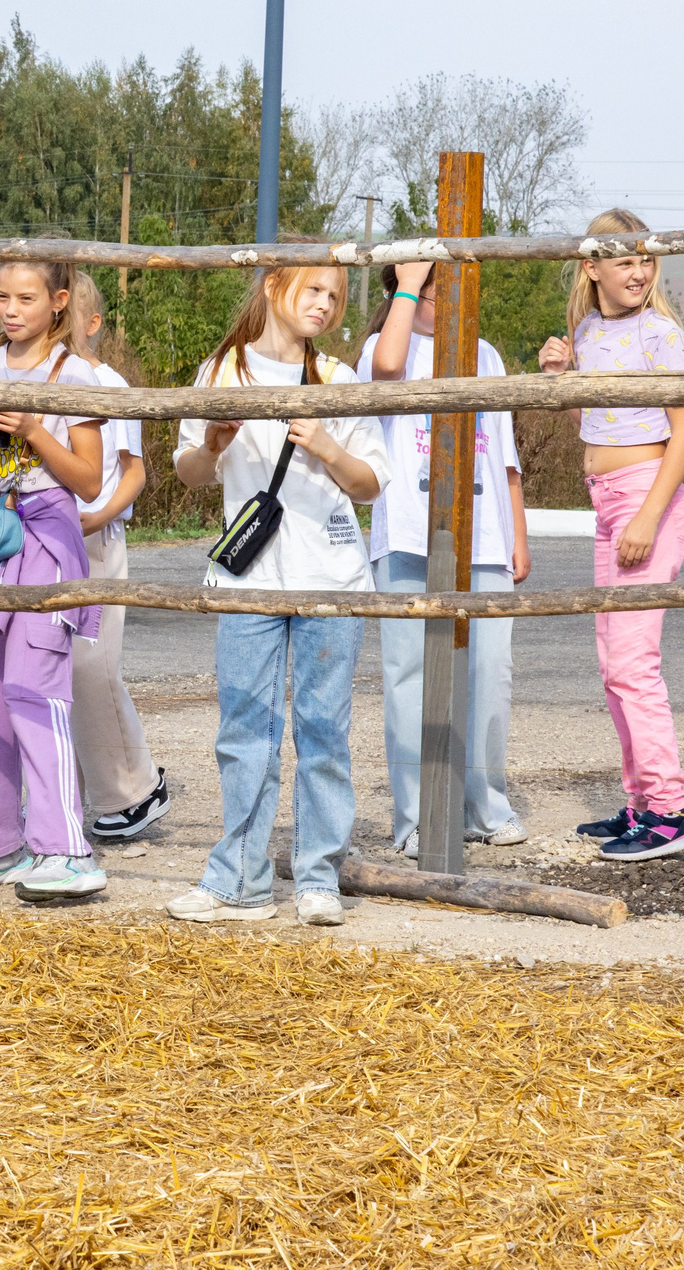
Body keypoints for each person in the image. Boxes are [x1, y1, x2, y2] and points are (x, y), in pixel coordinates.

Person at [168, 263, 390, 927]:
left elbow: (370, 483)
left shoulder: (339, 380)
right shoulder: (221, 372)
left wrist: (327, 446)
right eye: (312, 289)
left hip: (332, 577)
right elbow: (189, 472)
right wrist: (213, 445)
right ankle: (239, 879)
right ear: (272, 287)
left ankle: (319, 877)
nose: (323, 304)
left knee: (324, 731)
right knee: (244, 730)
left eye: (334, 295)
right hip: (251, 579)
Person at [538, 208, 684, 861]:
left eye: (646, 259)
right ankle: (640, 804)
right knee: (613, 666)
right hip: (607, 501)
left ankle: (670, 811)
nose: (638, 272)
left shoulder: (661, 334)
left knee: (634, 664)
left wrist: (646, 517)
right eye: (624, 260)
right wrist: (561, 377)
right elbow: (593, 420)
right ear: (592, 268)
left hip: (646, 500)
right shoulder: (587, 330)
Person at [0, 255, 110, 905]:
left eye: (26, 299)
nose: (10, 310)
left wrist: (36, 429)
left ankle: (66, 850)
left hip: (44, 537)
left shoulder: (78, 374)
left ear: (59, 301)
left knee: (33, 687)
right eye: (2, 298)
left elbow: (89, 482)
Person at [360, 262, 531, 855]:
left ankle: (485, 805)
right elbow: (386, 372)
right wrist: (409, 283)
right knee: (409, 674)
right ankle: (417, 816)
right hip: (409, 532)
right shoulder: (384, 348)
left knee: (489, 671)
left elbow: (504, 455)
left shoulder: (486, 355)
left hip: (485, 536)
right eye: (437, 294)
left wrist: (518, 533)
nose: (450, 305)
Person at [65, 276, 169, 843]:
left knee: (93, 667)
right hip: (47, 539)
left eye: (69, 314)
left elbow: (135, 472)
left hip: (95, 538)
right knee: (58, 670)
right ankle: (73, 794)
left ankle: (135, 788)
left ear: (93, 323)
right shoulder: (38, 378)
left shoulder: (109, 385)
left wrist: (98, 516)